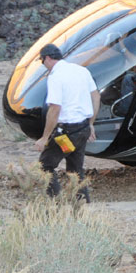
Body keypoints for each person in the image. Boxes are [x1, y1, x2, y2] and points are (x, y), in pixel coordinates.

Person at [34, 43, 100, 202]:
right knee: (76, 169)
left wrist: (44, 138)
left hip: (66, 132)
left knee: (45, 166)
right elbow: (96, 96)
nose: (43, 65)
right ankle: (82, 204)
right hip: (83, 128)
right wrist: (91, 123)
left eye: (42, 61)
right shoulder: (81, 70)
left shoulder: (56, 77)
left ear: (48, 58)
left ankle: (56, 203)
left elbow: (55, 109)